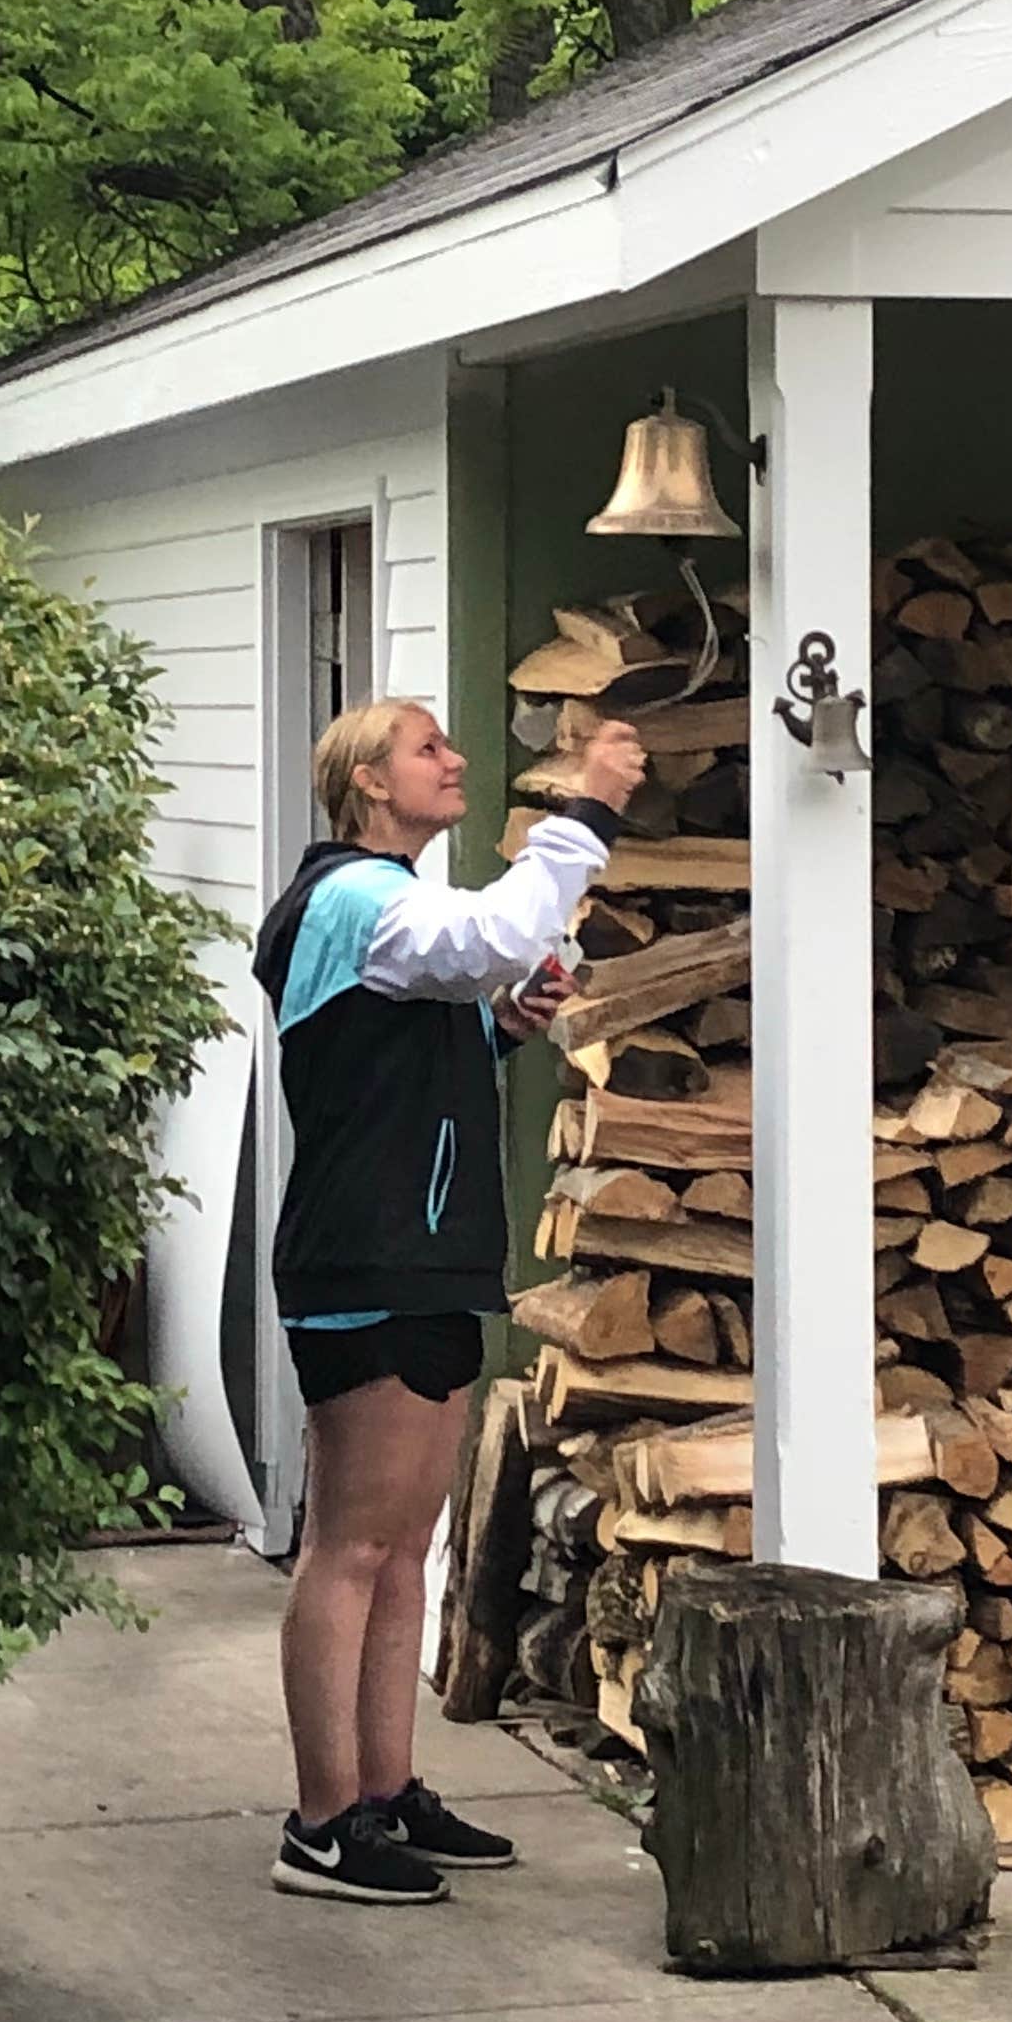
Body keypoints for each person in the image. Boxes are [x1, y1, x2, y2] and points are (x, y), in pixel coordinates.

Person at [250, 694, 646, 1902]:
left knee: (403, 1548)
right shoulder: (352, 897)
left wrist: (501, 1032)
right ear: (369, 782)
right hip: (366, 1256)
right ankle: (323, 1825)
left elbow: (401, 1061)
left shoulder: (382, 911)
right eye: (427, 747)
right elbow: (490, 935)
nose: (454, 758)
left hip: (419, 1254)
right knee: (350, 1547)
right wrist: (585, 812)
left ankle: (385, 1791)